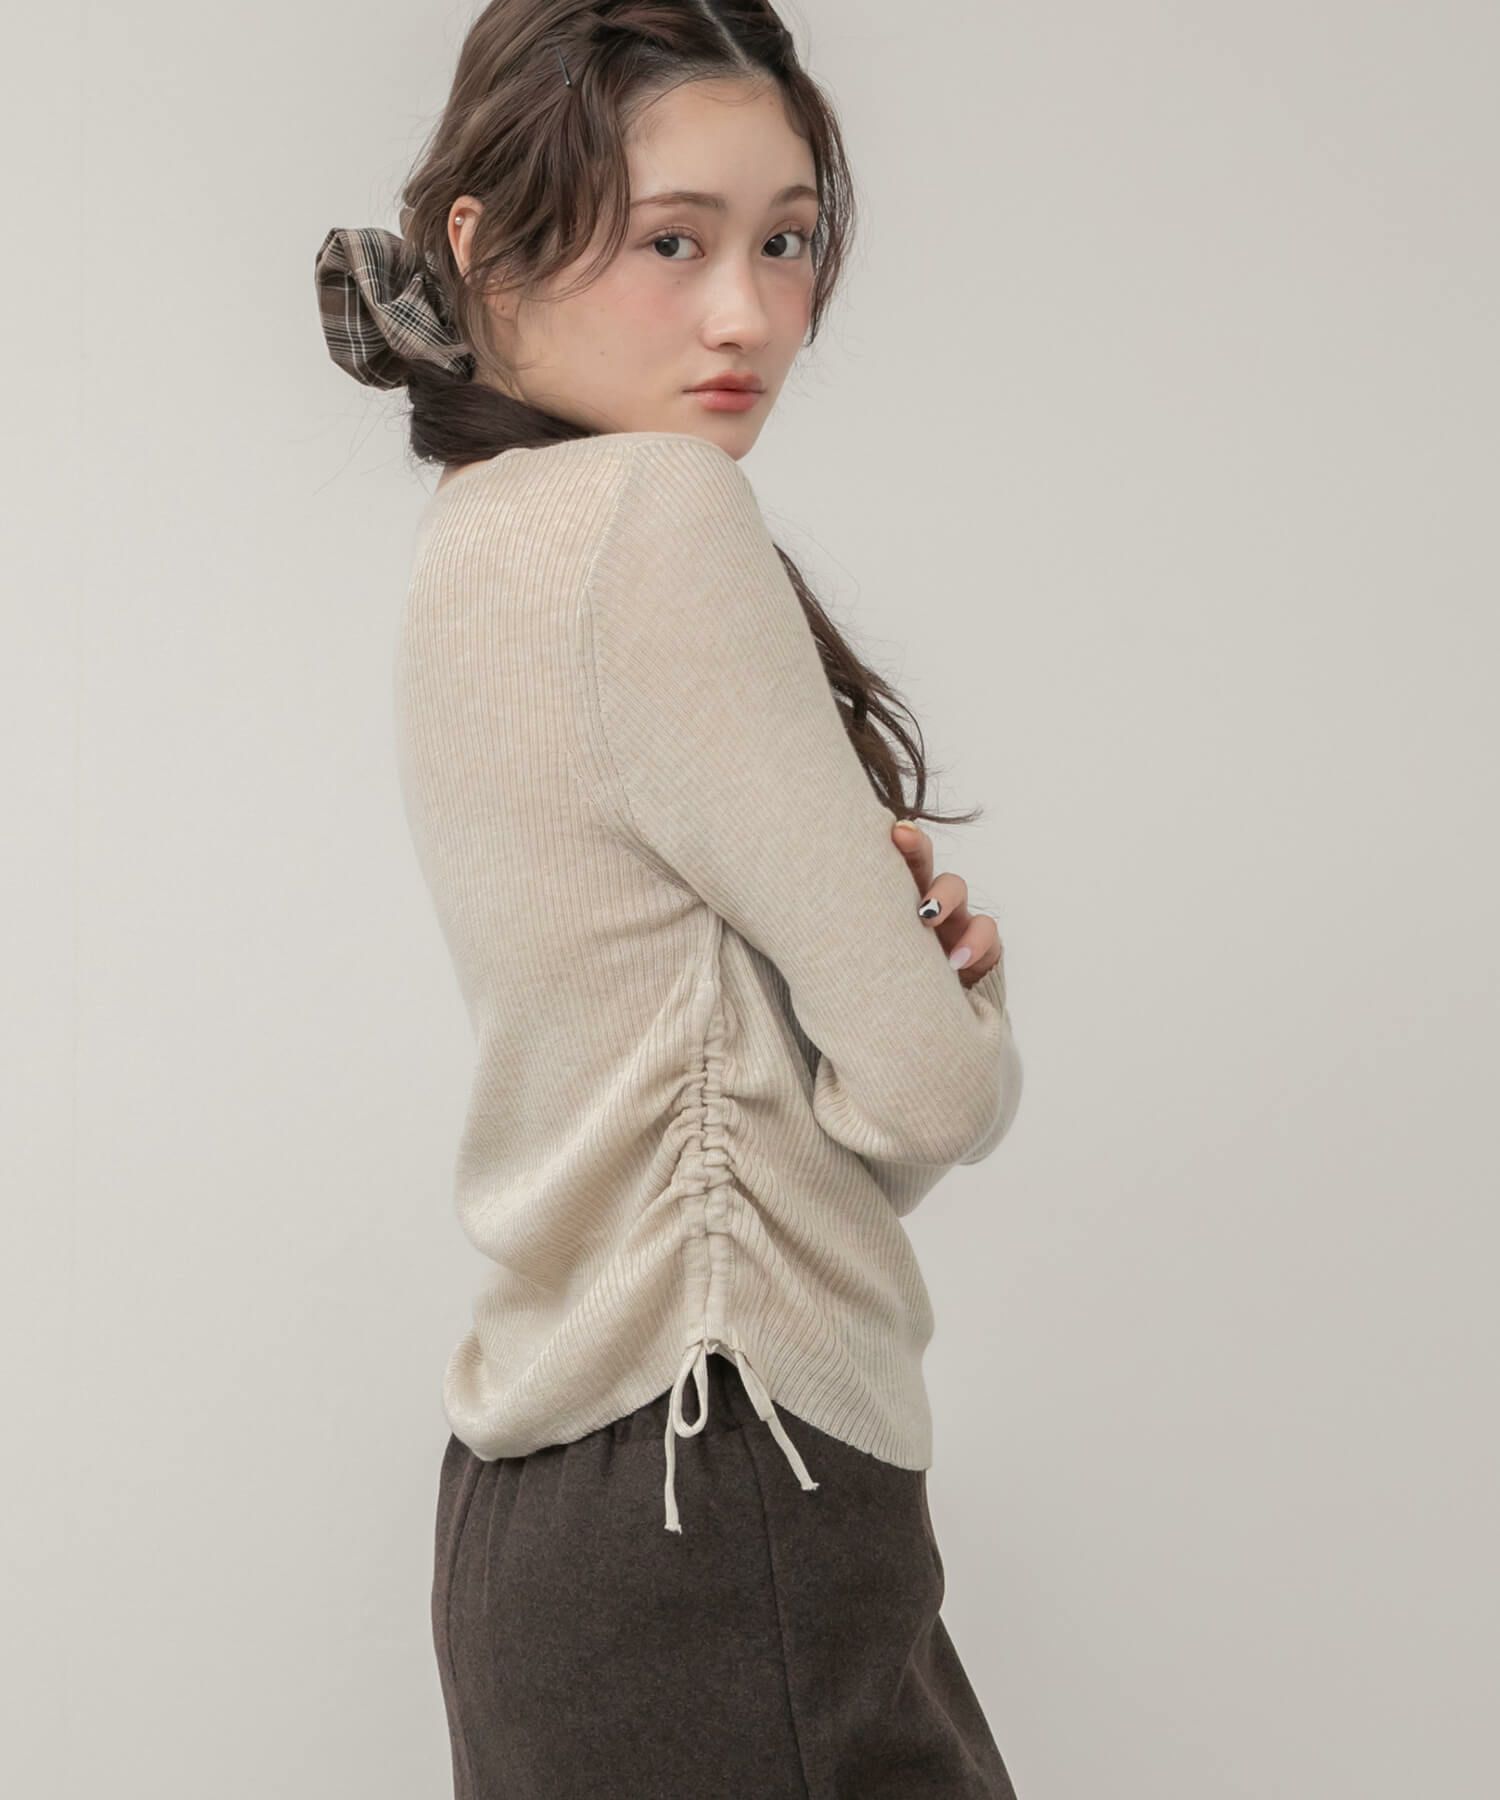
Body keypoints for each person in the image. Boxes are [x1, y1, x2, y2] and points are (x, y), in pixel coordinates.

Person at [313, 3, 1025, 1794]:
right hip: (729, 1477)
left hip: (540, 1511)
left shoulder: (477, 540)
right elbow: (925, 1099)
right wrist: (956, 1007)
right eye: (672, 242)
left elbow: (717, 1118)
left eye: (784, 241)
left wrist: (831, 1051)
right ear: (483, 244)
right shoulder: (654, 519)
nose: (747, 317)